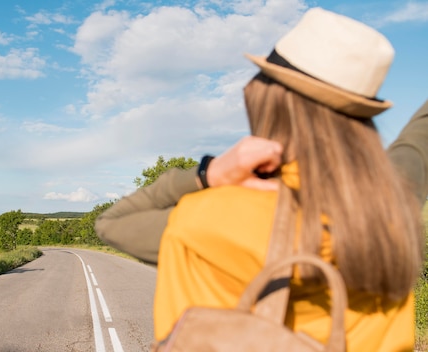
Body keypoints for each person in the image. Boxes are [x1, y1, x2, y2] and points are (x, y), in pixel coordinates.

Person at [95, 8, 427, 352]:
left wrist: (209, 172)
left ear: (264, 101)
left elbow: (113, 222)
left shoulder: (214, 215)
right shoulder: (393, 200)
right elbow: (418, 138)